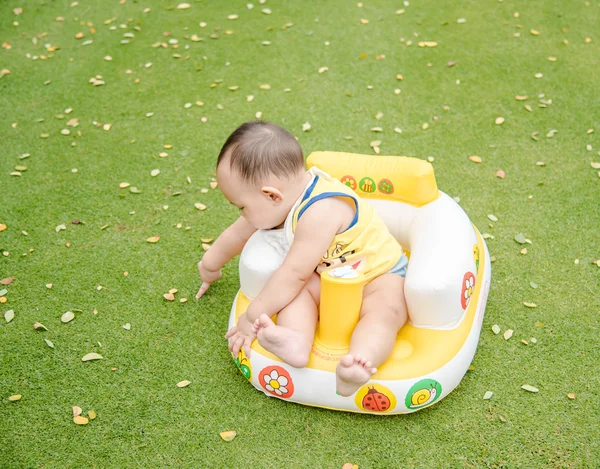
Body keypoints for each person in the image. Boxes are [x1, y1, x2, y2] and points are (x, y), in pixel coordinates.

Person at [196, 121, 409, 397]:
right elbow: (238, 233)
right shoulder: (282, 200)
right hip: (328, 277)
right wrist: (209, 264)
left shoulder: (320, 211)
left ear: (271, 195)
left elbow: (293, 273)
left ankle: (358, 363)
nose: (243, 214)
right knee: (296, 294)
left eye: (242, 207)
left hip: (379, 275)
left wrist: (251, 317)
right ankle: (295, 341)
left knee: (385, 312)